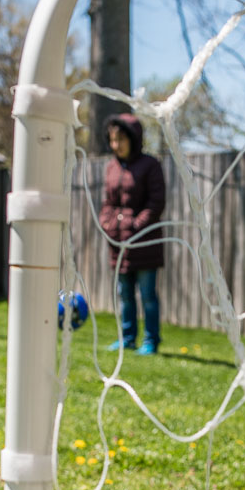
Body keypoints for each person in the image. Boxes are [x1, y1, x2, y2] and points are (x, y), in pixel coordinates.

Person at [98, 113, 167, 355]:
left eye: (121, 139)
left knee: (147, 294)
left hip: (144, 241)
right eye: (113, 140)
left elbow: (156, 202)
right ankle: (127, 338)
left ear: (133, 138)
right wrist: (107, 224)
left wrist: (136, 226)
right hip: (118, 243)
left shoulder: (150, 165)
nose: (116, 145)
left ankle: (151, 340)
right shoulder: (111, 168)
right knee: (124, 294)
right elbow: (107, 203)